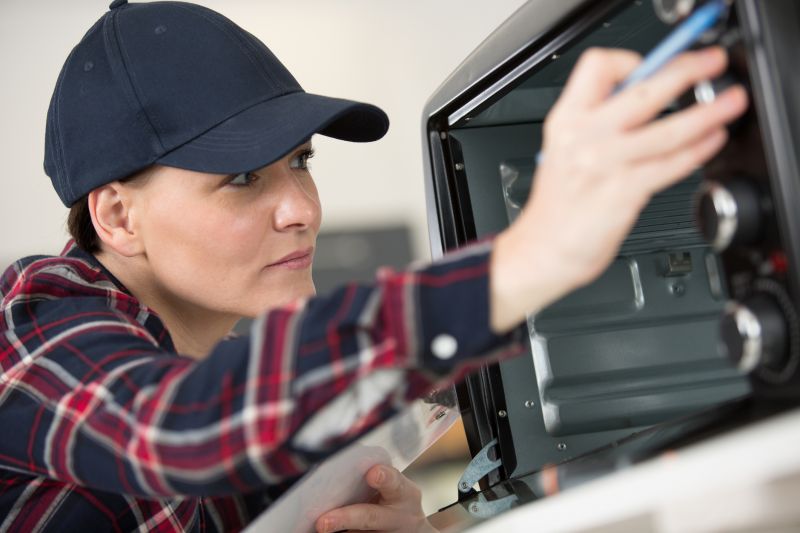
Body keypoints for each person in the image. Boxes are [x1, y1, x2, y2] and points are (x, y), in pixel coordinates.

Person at [0, 0, 747, 532]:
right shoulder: (32, 326)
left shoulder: (235, 364)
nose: (302, 208)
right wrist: (523, 258)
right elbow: (178, 430)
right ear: (117, 217)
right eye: (241, 178)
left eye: (299, 162)